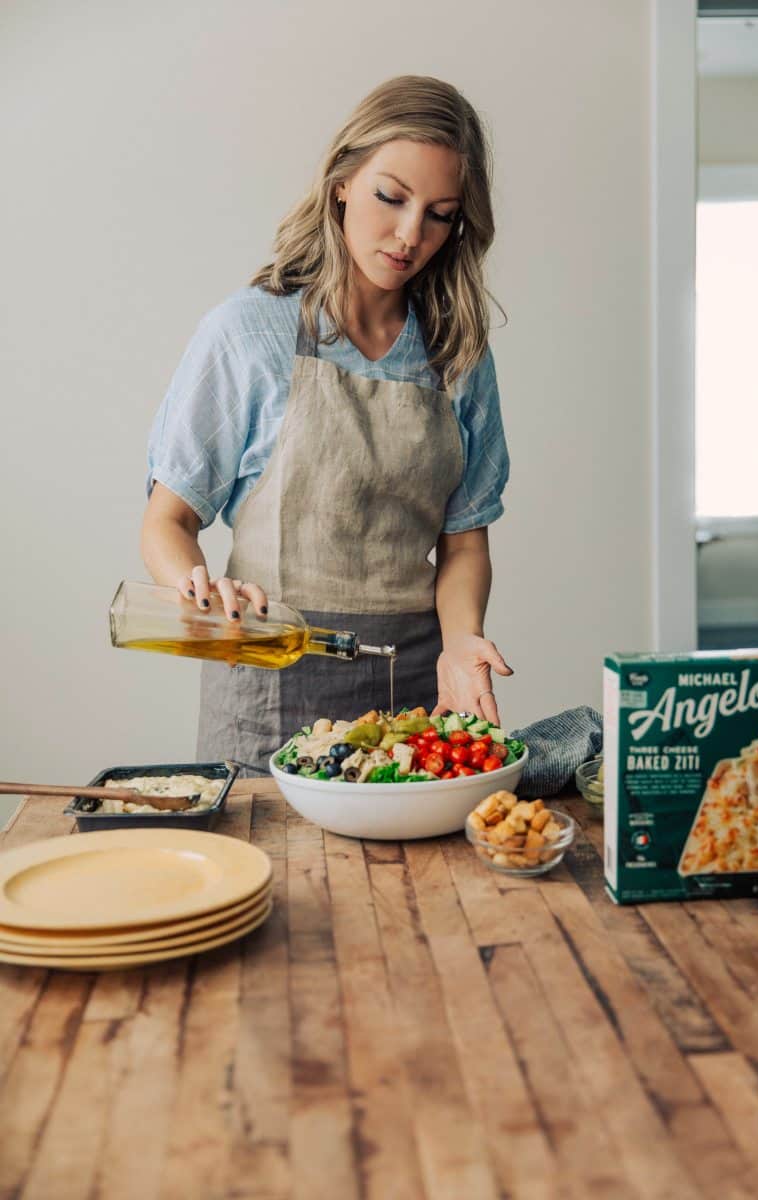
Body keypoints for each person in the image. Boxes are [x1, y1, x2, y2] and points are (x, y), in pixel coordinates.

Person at [141, 75, 512, 772]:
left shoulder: (455, 352)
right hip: (261, 682)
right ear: (342, 180)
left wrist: (464, 640)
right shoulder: (248, 333)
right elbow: (167, 520)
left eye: (439, 214)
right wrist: (200, 589)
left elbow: (464, 543)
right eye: (391, 197)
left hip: (413, 689)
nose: (410, 236)